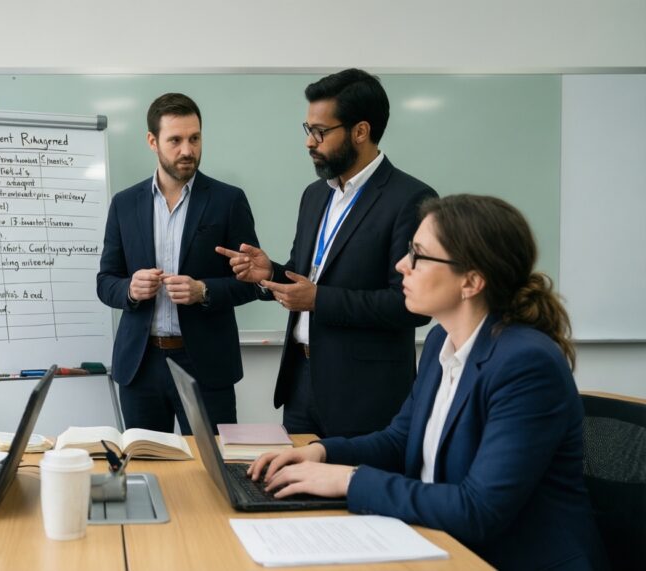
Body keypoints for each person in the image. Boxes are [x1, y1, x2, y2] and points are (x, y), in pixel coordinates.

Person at [246, 195, 607, 570]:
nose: (402, 265)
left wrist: (348, 481)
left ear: (471, 280)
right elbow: (400, 441)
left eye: (419, 255)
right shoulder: (441, 340)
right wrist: (321, 453)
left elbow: (479, 509)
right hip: (446, 545)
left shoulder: (526, 365)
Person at [217, 68, 436, 437]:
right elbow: (308, 277)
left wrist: (320, 300)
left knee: (353, 493)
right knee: (298, 490)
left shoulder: (410, 200)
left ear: (360, 131)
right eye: (308, 130)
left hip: (364, 395)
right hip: (300, 383)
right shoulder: (315, 195)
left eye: (320, 132)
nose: (309, 142)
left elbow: (410, 306)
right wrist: (269, 272)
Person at [97, 93, 260, 433]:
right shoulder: (124, 204)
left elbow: (254, 282)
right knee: (146, 468)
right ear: (152, 141)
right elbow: (105, 281)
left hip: (205, 363)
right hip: (140, 366)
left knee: (211, 472)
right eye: (176, 140)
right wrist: (130, 289)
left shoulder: (228, 201)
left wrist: (203, 290)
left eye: (195, 138)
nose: (188, 150)